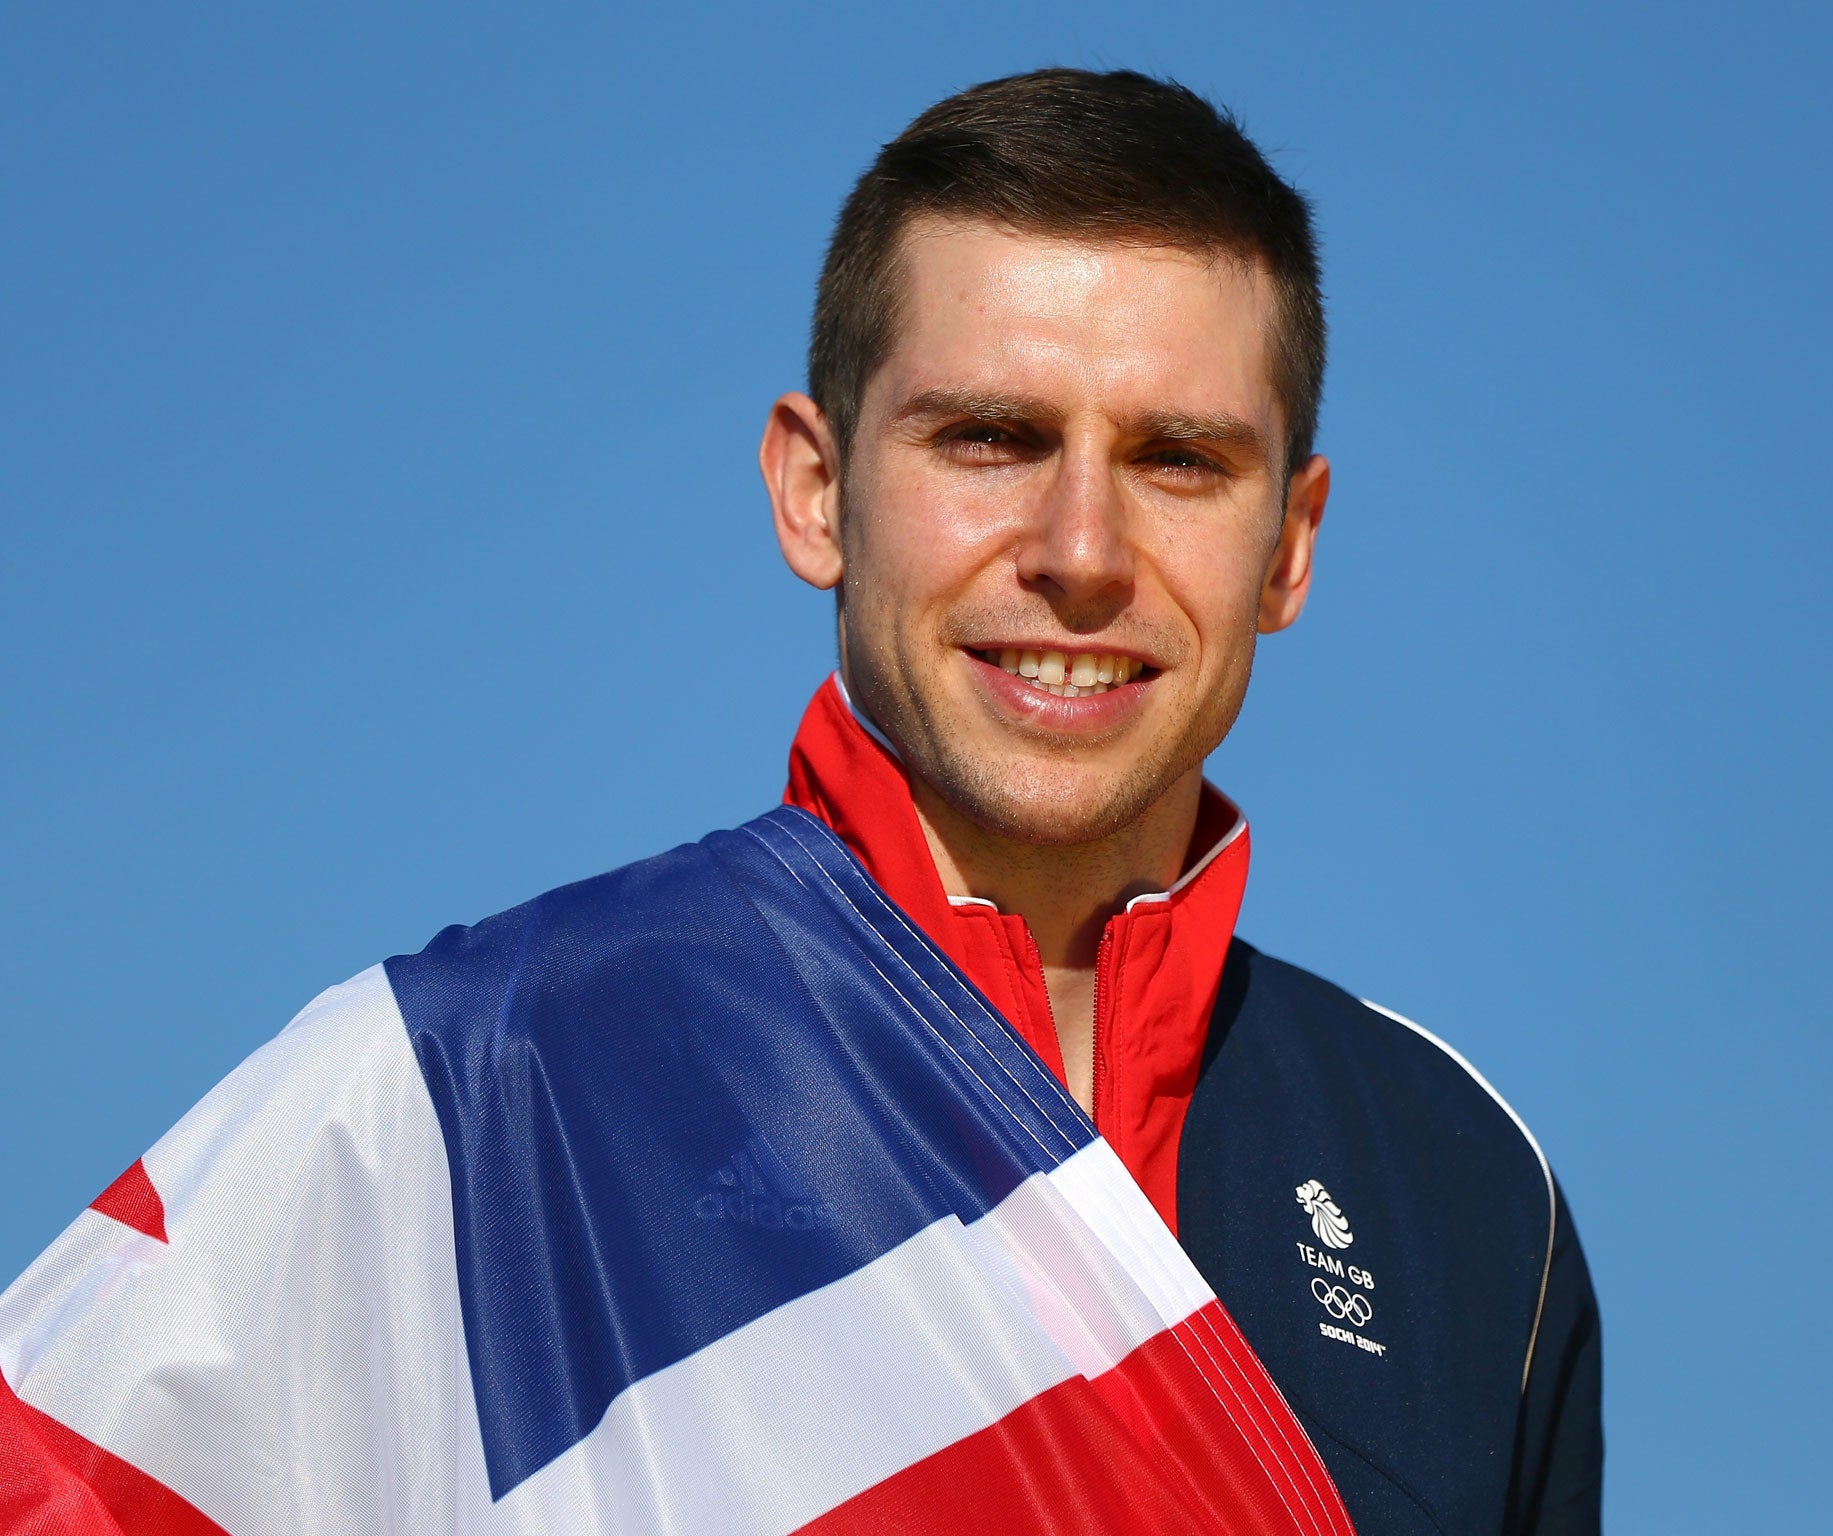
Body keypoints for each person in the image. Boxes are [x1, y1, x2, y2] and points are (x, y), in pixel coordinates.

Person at [0, 69, 1600, 1535]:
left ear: (1293, 544)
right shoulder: (466, 1092)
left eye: (1180, 459)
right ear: (815, 490)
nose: (1084, 549)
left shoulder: (1456, 1187)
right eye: (991, 437)